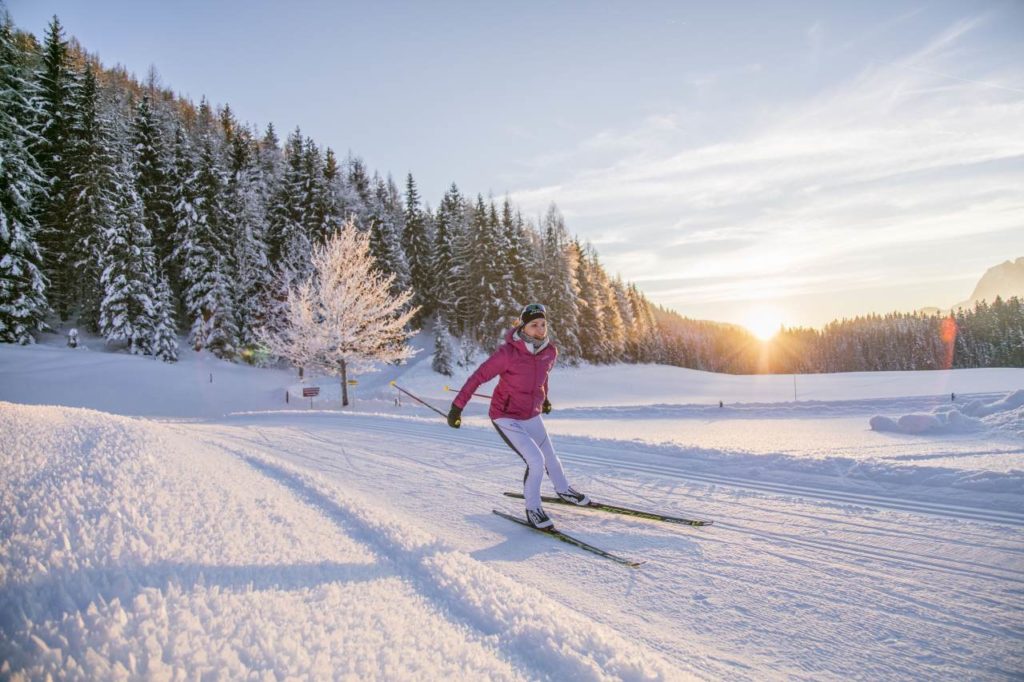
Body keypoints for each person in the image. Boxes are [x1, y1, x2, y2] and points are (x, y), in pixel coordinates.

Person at [447, 303, 590, 529]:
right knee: (536, 460)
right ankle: (533, 509)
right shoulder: (508, 354)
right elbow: (478, 377)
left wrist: (546, 399)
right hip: (506, 416)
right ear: (523, 327)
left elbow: (543, 378)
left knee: (550, 456)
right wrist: (457, 407)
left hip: (531, 413)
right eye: (534, 325)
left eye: (543, 324)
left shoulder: (549, 351)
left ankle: (564, 490)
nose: (540, 329)